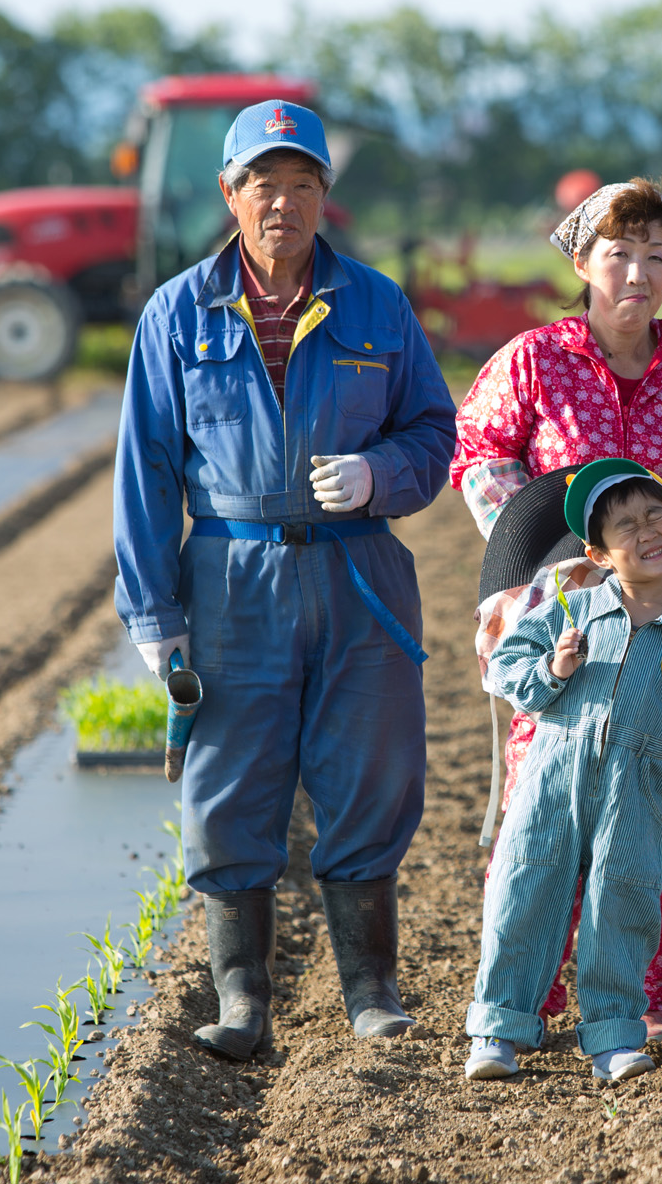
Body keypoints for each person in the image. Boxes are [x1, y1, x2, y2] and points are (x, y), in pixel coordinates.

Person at [113, 98, 456, 1059]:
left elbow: (436, 433)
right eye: (264, 184)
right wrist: (154, 611)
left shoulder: (378, 305)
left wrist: (378, 476)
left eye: (303, 184)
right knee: (230, 783)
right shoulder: (178, 312)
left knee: (370, 774)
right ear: (230, 194)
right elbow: (145, 465)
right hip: (231, 576)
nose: (283, 203)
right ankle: (241, 1002)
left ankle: (372, 994)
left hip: (360, 575)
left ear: (324, 199)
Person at [452, 178, 662, 1041]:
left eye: (657, 257)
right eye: (618, 254)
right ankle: (526, 1002)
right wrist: (563, 553)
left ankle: (640, 999)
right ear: (583, 262)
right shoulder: (533, 363)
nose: (638, 272)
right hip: (565, 633)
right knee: (546, 813)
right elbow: (479, 456)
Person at [466, 459, 662, 1083]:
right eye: (626, 526)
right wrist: (551, 673)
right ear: (600, 554)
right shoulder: (570, 607)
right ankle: (498, 1029)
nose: (647, 531)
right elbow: (505, 666)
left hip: (636, 785)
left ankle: (614, 1034)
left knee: (625, 902)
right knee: (524, 890)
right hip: (554, 772)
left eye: (657, 515)